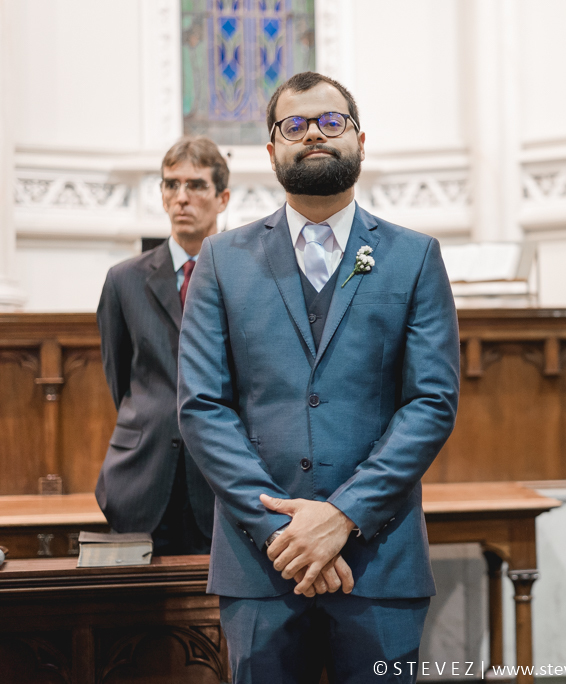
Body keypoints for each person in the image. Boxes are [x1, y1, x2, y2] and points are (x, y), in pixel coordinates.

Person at [177, 71, 460, 683]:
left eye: (331, 122)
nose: (314, 135)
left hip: (378, 559)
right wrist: (287, 533)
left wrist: (343, 515)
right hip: (260, 562)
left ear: (360, 139)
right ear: (272, 149)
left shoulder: (414, 257)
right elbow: (202, 406)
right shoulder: (222, 262)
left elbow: (432, 402)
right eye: (295, 125)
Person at [95, 136, 229, 555]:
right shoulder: (124, 280)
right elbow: (119, 376)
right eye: (171, 185)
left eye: (195, 185)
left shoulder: (244, 276)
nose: (181, 197)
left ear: (222, 198)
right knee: (138, 616)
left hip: (218, 478)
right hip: (141, 475)